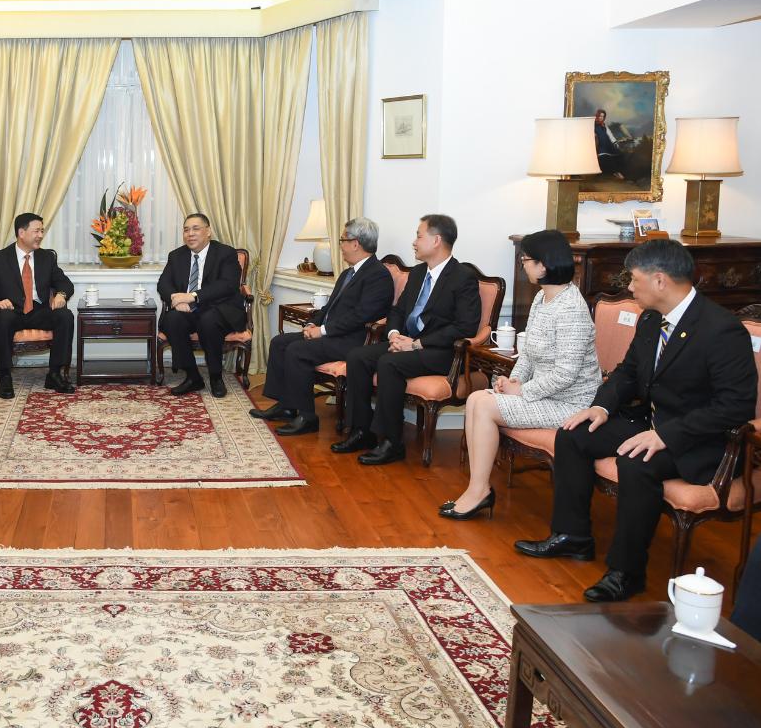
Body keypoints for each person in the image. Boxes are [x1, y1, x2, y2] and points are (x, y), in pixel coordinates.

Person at [515, 239, 757, 602]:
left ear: (660, 280)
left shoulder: (721, 329)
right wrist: (600, 407)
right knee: (573, 434)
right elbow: (628, 372)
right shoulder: (652, 318)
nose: (629, 287)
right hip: (649, 420)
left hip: (697, 438)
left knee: (636, 461)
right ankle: (572, 536)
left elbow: (735, 406)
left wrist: (665, 436)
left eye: (635, 279)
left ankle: (625, 572)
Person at [441, 230, 601, 520]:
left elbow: (566, 374)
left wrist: (522, 391)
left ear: (543, 265)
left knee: (483, 404)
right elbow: (527, 353)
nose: (523, 265)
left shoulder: (571, 309)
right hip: (544, 394)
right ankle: (478, 488)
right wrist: (513, 380)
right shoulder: (542, 298)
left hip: (569, 404)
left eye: (526, 260)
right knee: (476, 400)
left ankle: (479, 491)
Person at [333, 214, 481, 465]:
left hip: (440, 351)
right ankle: (361, 430)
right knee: (358, 356)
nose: (414, 242)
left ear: (436, 240)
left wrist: (416, 344)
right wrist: (393, 334)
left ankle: (392, 442)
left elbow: (464, 327)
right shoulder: (419, 272)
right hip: (407, 343)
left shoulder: (462, 277)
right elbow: (398, 311)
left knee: (389, 363)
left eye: (419, 236)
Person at [253, 217, 393, 434]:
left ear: (355, 243)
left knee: (297, 350)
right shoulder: (348, 273)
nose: (341, 246)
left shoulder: (378, 275)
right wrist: (312, 324)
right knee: (279, 342)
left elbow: (361, 316)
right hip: (332, 335)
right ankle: (286, 406)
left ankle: (307, 417)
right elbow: (329, 308)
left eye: (342, 240)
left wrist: (323, 331)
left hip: (354, 340)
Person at [0, 212, 76, 399]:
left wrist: (61, 295)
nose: (40, 235)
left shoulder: (46, 257)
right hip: (11, 311)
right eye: (36, 231)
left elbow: (65, 283)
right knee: (4, 318)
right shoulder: (0, 258)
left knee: (65, 315)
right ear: (21, 233)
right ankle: (5, 376)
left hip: (38, 311)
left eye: (42, 231)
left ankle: (54, 374)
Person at [156, 213, 247, 399]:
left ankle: (216, 377)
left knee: (208, 320)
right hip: (188, 310)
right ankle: (193, 377)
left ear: (208, 231)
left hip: (220, 309)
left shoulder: (226, 253)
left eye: (195, 229)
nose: (190, 234)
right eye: (186, 230)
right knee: (172, 319)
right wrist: (176, 299)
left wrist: (192, 297)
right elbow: (163, 284)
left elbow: (227, 285)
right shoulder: (176, 256)